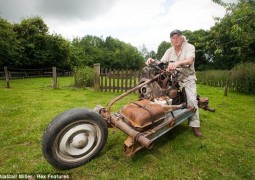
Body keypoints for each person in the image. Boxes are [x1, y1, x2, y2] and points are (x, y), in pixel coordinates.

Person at [145, 29, 202, 137]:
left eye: (177, 37)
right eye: (173, 38)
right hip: (174, 78)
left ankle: (195, 125)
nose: (175, 39)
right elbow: (161, 62)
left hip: (187, 78)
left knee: (191, 100)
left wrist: (177, 63)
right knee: (161, 95)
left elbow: (189, 61)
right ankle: (162, 118)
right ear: (170, 39)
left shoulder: (189, 47)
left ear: (181, 37)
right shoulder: (169, 50)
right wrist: (152, 60)